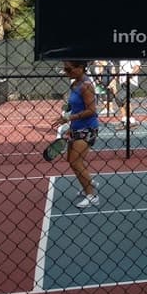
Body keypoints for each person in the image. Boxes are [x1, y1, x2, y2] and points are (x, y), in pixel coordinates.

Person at [50, 60, 101, 209]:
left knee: (75, 161)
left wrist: (69, 118)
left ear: (80, 68)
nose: (66, 72)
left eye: (69, 69)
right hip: (77, 128)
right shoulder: (74, 84)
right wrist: (71, 127)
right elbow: (74, 107)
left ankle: (92, 195)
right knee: (73, 161)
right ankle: (88, 184)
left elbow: (92, 110)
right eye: (65, 69)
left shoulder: (86, 86)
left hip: (88, 128)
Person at [115, 59, 141, 126]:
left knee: (119, 97)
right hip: (123, 83)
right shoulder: (121, 60)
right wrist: (118, 77)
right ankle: (127, 120)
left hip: (131, 82)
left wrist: (129, 77)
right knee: (123, 100)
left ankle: (129, 120)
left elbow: (137, 68)